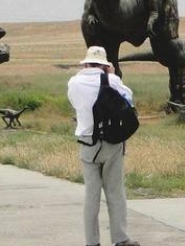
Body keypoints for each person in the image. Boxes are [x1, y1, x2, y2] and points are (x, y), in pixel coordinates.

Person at [68, 46, 140, 246]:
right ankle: (121, 238)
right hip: (112, 142)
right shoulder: (112, 81)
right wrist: (112, 76)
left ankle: (92, 242)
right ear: (105, 65)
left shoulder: (74, 83)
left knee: (91, 195)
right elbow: (128, 100)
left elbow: (75, 103)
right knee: (115, 192)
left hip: (87, 144)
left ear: (86, 63)